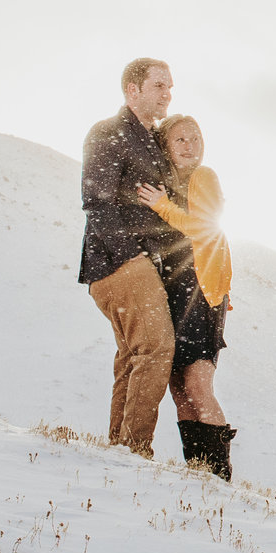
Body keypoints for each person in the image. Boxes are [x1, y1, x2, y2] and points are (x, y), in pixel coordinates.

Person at [79, 58, 187, 456]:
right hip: (119, 263)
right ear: (133, 90)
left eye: (170, 86)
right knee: (158, 347)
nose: (168, 94)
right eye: (160, 86)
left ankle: (118, 452)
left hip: (132, 264)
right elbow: (97, 202)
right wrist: (134, 257)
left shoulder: (152, 141)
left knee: (133, 356)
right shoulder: (109, 132)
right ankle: (136, 450)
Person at [135, 113, 234, 480]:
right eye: (180, 139)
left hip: (200, 290)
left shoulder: (203, 177)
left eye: (195, 138)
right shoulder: (169, 183)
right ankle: (199, 474)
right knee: (179, 388)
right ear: (166, 146)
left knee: (196, 383)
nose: (190, 145)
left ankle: (220, 477)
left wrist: (162, 206)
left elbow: (205, 228)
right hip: (175, 291)